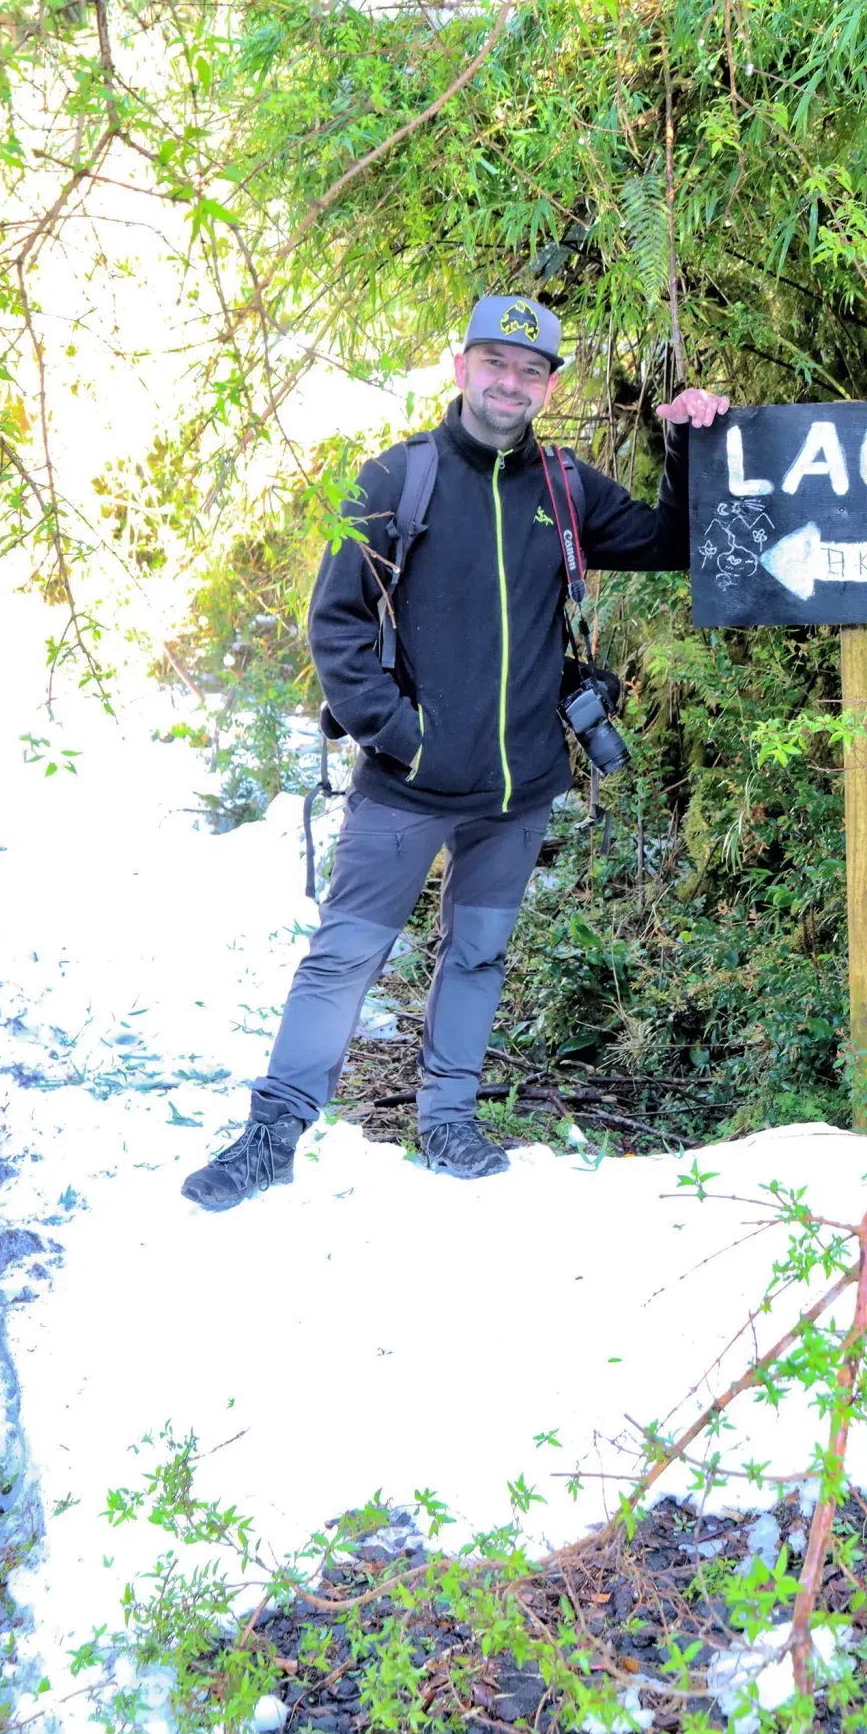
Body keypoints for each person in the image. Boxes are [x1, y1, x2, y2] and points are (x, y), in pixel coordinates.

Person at [182, 296, 729, 1210]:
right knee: (343, 958)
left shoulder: (564, 488)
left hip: (520, 792)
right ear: (460, 367)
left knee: (477, 956)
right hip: (406, 791)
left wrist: (688, 444)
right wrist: (404, 740)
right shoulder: (397, 480)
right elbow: (338, 623)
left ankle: (447, 1123)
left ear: (549, 384)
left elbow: (671, 543)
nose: (510, 384)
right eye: (495, 364)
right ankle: (272, 1134)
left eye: (530, 371)